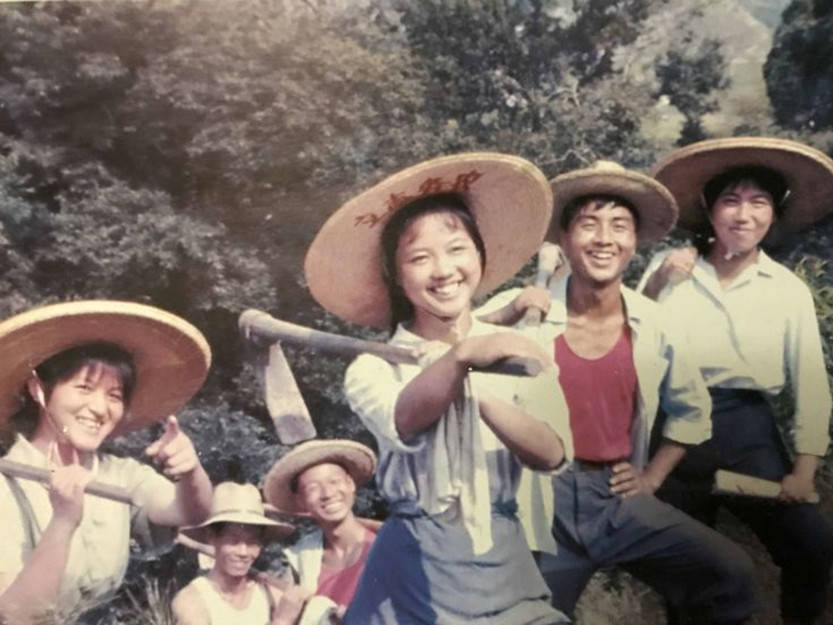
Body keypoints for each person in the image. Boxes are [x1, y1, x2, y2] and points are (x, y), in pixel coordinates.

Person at [304, 153, 573, 624]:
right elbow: (404, 421)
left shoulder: (513, 349)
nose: (443, 270)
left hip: (501, 553)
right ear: (396, 275)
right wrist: (460, 358)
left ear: (479, 255)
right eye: (419, 258)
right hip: (414, 564)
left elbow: (551, 453)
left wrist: (478, 387)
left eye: (456, 249)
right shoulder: (373, 367)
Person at [496, 161, 759, 623]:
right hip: (541, 504)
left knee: (730, 574)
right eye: (588, 224)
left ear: (634, 241)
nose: (604, 239)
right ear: (563, 239)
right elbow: (452, 359)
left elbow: (692, 411)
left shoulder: (654, 321)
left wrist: (652, 477)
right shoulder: (525, 310)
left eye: (619, 225)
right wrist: (503, 319)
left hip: (617, 498)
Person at [637, 137, 833, 624]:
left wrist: (804, 470)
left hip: (746, 431)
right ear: (710, 210)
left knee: (813, 543)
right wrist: (656, 285)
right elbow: (631, 346)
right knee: (687, 574)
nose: (744, 215)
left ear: (774, 213)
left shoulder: (787, 290)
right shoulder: (668, 271)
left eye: (759, 202)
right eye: (731, 200)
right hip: (673, 430)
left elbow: (811, 384)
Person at [0, 300, 214, 624]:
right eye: (84, 388)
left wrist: (191, 472)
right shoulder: (7, 484)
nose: (100, 409)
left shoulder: (121, 475)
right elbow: (16, 615)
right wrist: (63, 521)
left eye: (114, 395)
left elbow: (191, 513)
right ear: (38, 390)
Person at [263, 439, 379, 624]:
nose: (327, 493)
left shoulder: (387, 549)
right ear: (301, 500)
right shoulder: (300, 561)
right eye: (313, 488)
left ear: (350, 483)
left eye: (334, 481)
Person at [172, 481, 295, 625]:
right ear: (212, 537)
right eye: (233, 541)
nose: (243, 552)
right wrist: (282, 621)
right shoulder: (193, 601)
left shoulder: (270, 594)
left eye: (252, 542)